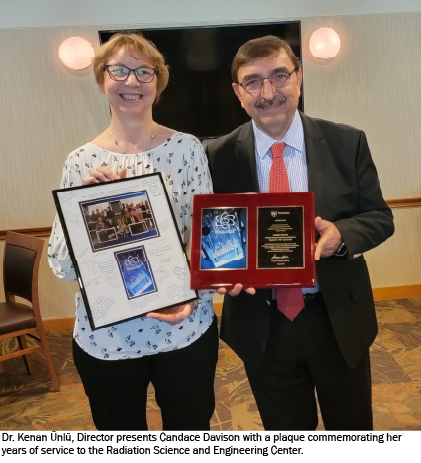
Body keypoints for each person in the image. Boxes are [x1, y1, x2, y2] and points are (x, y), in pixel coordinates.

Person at [206, 35, 394, 431]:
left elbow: (379, 217)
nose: (268, 92)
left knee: (353, 433)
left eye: (279, 75)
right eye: (253, 81)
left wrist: (339, 235)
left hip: (337, 318)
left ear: (299, 78)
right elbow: (210, 235)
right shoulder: (215, 157)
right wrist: (224, 272)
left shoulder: (347, 141)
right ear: (239, 93)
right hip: (262, 324)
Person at [48, 31, 218, 431]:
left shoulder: (187, 148)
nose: (132, 82)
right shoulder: (80, 162)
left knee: (191, 433)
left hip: (185, 327)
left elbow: (208, 240)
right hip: (108, 337)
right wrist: (83, 209)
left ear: (158, 82)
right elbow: (62, 266)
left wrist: (193, 297)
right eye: (120, 70)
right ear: (101, 78)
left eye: (145, 72)